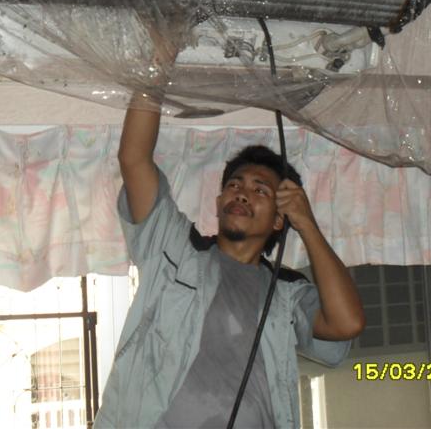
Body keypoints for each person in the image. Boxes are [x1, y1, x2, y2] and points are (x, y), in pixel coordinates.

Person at [94, 92, 365, 428]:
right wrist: (157, 71)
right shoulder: (177, 248)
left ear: (279, 220)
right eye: (235, 185)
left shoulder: (285, 292)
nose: (242, 193)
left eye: (260, 190)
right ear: (219, 202)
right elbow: (133, 159)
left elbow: (347, 323)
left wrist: (307, 223)